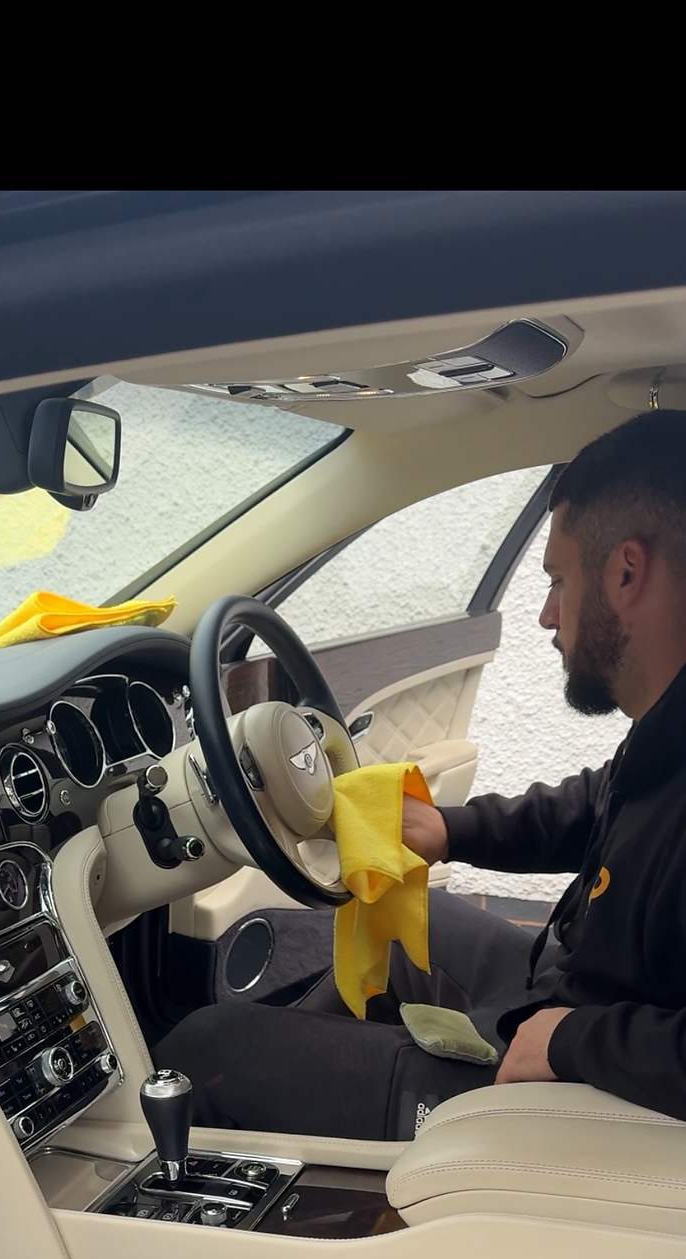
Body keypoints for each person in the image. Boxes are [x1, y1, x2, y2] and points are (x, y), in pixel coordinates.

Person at [156, 410, 686, 1139]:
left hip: (575, 1096)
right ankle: (306, 1109)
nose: (545, 614)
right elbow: (599, 804)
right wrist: (449, 828)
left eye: (559, 580)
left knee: (201, 1052)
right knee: (408, 922)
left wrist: (569, 1041)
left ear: (627, 571)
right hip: (568, 999)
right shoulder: (668, 731)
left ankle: (286, 1103)